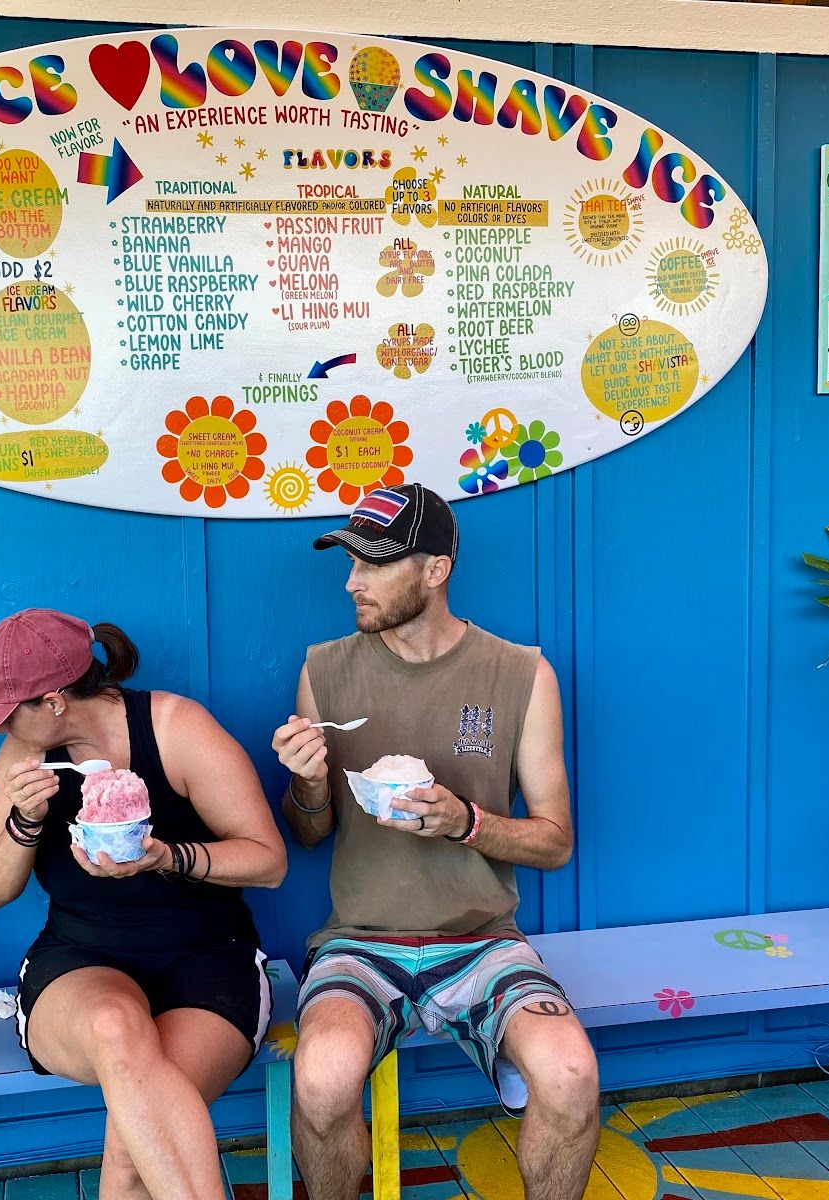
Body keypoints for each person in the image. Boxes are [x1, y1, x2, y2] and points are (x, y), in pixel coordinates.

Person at [270, 482, 600, 1200]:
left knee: (571, 1074)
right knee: (322, 1078)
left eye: (374, 564)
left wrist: (466, 823)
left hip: (482, 941)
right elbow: (308, 834)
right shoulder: (324, 670)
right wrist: (309, 785)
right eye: (349, 562)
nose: (352, 582)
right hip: (359, 942)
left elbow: (556, 844)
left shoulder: (521, 674)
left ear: (435, 570)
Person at [0, 609, 287, 1200]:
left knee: (135, 1147)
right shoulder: (23, 760)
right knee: (114, 1028)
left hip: (209, 958)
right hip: (79, 962)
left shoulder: (177, 728)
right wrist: (24, 821)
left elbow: (269, 861)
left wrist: (168, 858)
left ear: (53, 702)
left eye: (5, 715)